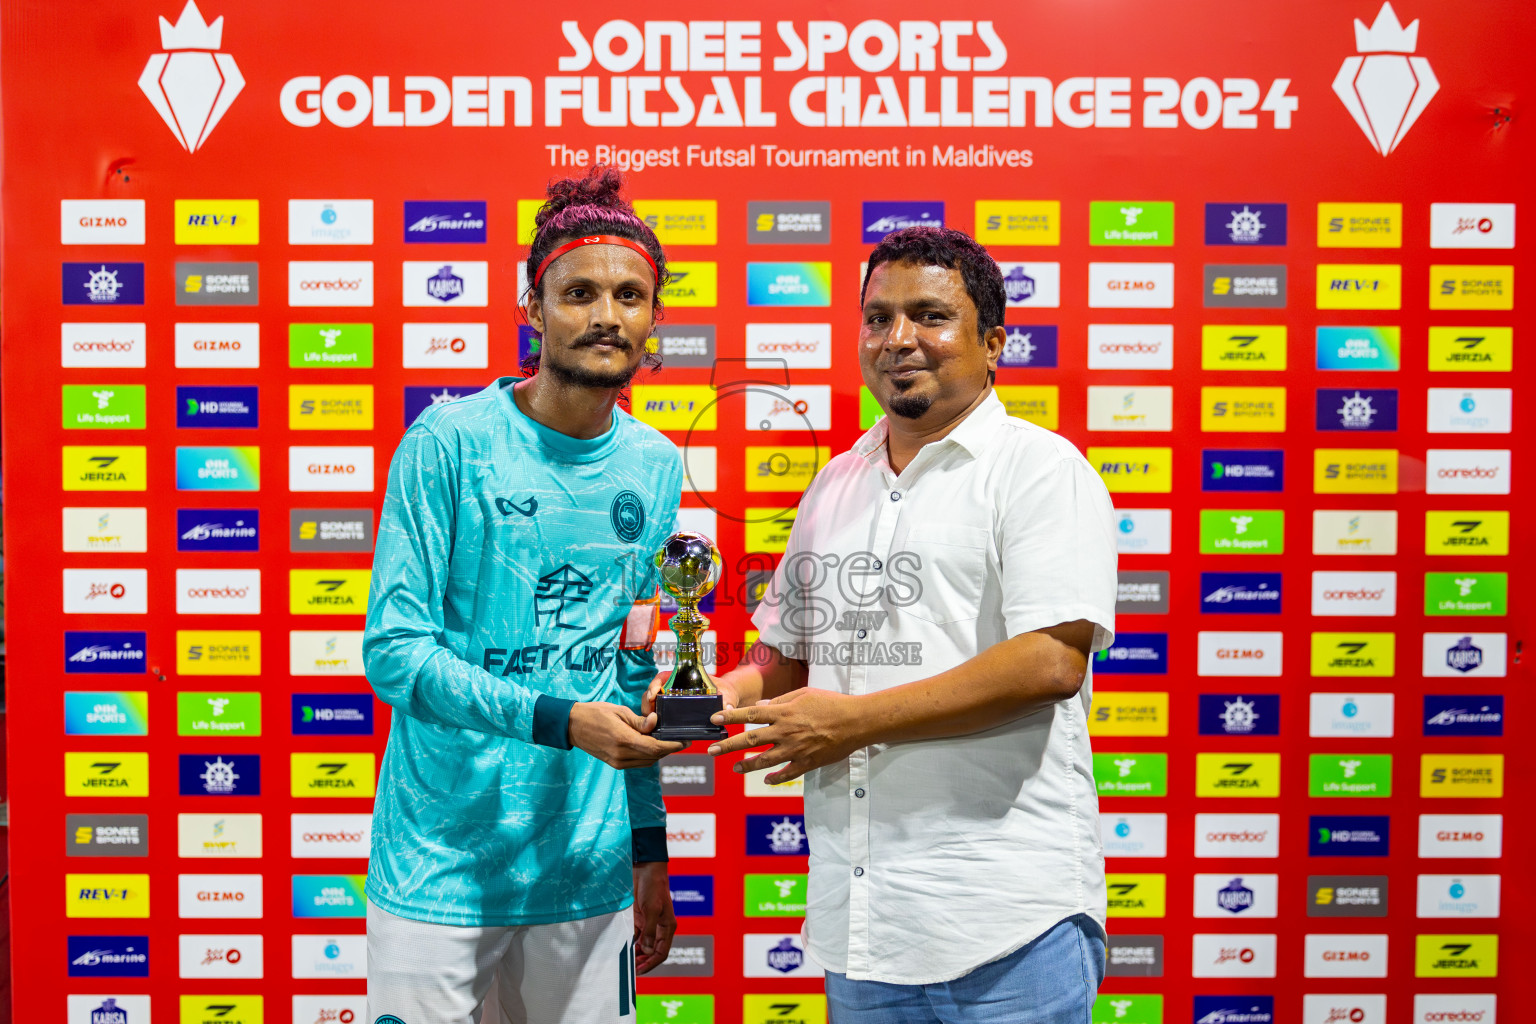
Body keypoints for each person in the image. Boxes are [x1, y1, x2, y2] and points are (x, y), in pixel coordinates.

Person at [671, 226, 1119, 1021]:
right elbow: (792, 662)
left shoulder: (1042, 470)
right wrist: (703, 695)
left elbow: (1050, 662)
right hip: (864, 927)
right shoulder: (836, 484)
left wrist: (852, 724)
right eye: (877, 318)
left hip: (1007, 925)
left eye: (929, 316)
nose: (898, 340)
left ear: (993, 344)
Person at [364, 166, 687, 1024]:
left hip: (586, 870)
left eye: (630, 295)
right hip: (440, 860)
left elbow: (628, 678)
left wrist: (647, 845)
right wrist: (557, 717)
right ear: (532, 308)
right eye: (578, 292)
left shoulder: (655, 466)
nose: (607, 316)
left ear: (655, 320)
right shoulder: (448, 442)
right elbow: (395, 653)